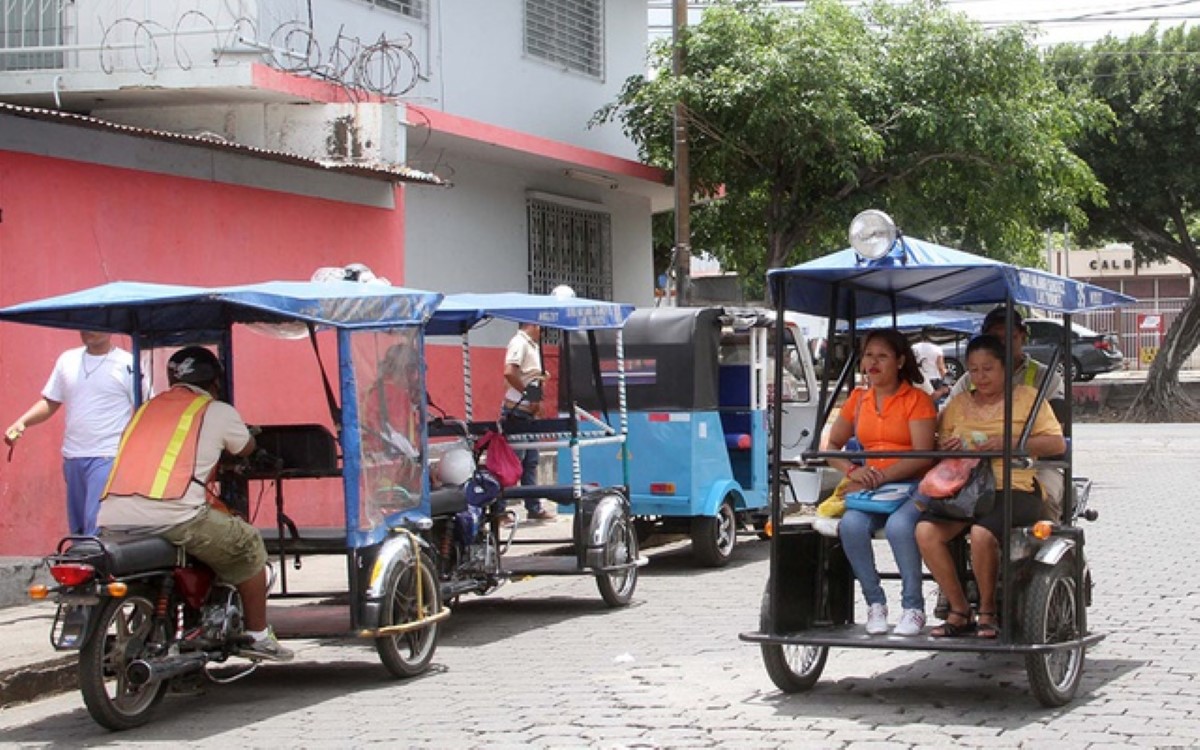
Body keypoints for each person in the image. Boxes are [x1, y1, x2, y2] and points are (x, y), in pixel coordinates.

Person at [98, 346, 292, 662]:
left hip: (113, 516)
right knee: (248, 543)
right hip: (176, 516)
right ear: (215, 381)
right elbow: (245, 447)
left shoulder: (145, 409)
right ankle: (258, 636)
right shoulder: (216, 410)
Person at [916, 335, 1065, 639]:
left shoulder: (1027, 398)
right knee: (925, 532)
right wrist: (950, 446)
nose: (980, 377)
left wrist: (1009, 444)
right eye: (974, 370)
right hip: (965, 488)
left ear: (1004, 369)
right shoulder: (957, 404)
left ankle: (987, 611)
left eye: (988, 369)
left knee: (981, 534)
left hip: (1014, 487)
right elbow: (939, 443)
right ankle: (959, 610)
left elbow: (1056, 443)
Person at [828, 329, 937, 636]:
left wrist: (881, 476)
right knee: (850, 525)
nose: (873, 363)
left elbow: (923, 455)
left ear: (900, 361)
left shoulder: (917, 400)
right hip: (873, 489)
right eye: (868, 355)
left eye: (882, 356)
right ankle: (875, 603)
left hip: (914, 486)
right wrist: (852, 471)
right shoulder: (857, 400)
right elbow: (831, 446)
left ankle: (913, 607)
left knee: (900, 528)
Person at [5, 331, 140, 536]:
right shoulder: (67, 360)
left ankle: (95, 566)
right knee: (78, 529)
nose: (88, 331)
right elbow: (51, 401)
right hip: (73, 456)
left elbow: (145, 405)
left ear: (110, 328)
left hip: (108, 455)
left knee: (95, 527)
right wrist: (22, 422)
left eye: (95, 325)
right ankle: (84, 566)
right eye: (84, 326)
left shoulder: (128, 364)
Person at [947, 306, 1066, 517]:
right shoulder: (968, 380)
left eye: (1010, 337)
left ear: (1022, 337)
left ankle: (1051, 544)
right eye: (995, 338)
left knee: (1047, 500)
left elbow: (1056, 435)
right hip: (976, 465)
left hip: (1034, 463)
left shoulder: (1044, 378)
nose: (1002, 345)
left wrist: (1012, 443)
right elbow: (946, 423)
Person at [500, 322, 552, 521]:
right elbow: (509, 372)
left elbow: (530, 376)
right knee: (512, 462)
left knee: (530, 462)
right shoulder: (519, 343)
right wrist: (528, 395)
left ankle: (534, 506)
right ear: (534, 325)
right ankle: (500, 510)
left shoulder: (532, 346)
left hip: (528, 413)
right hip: (517, 411)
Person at [912, 328, 950, 401]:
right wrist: (947, 382)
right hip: (934, 379)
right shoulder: (937, 349)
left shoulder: (913, 347)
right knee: (934, 403)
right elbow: (941, 367)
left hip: (919, 379)